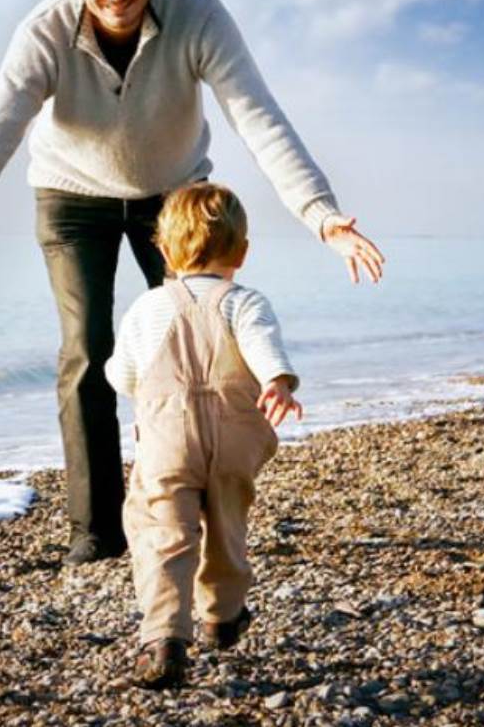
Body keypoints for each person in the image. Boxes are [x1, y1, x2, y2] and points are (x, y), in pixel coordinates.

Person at [0, 0, 383, 566]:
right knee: (88, 348)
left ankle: (186, 505)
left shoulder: (198, 16)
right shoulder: (46, 30)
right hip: (71, 196)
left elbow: (258, 117)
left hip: (172, 197)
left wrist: (321, 214)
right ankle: (96, 531)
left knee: (195, 349)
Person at [105, 182, 300, 689]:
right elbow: (263, 347)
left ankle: (165, 638)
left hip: (168, 441)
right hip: (235, 438)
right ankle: (222, 615)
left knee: (164, 532)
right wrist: (277, 382)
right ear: (243, 251)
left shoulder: (147, 308)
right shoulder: (245, 302)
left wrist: (137, 387)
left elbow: (121, 375)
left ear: (164, 251)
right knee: (227, 524)